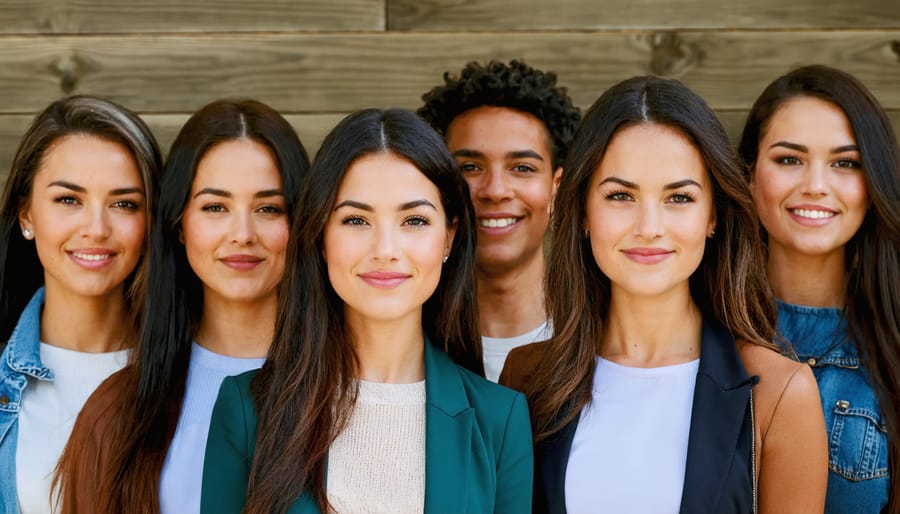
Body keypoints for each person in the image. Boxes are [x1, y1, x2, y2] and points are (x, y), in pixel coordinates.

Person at [500, 76, 828, 513]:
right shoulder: (526, 377)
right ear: (582, 209)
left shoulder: (780, 393)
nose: (649, 225)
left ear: (713, 215)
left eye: (678, 197)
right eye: (620, 195)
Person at [201, 108, 533, 514]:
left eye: (414, 220)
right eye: (357, 220)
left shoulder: (499, 419)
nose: (386, 251)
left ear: (449, 236)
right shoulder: (247, 407)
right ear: (321, 235)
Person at [53, 99, 310, 514]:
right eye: (215, 207)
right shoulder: (117, 412)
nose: (242, 233)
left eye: (268, 208)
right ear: (179, 224)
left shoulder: (346, 387)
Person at [739, 65, 900, 514]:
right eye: (789, 159)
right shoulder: (703, 334)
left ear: (874, 185)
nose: (815, 185)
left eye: (845, 163)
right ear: (749, 176)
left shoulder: (893, 347)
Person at [0, 95, 161, 514]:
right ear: (26, 215)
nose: (96, 228)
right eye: (69, 199)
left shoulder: (188, 377)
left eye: (124, 204)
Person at [418, 60, 581, 381]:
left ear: (557, 190)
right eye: (469, 167)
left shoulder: (599, 340)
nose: (495, 191)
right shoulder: (406, 343)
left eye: (522, 167)